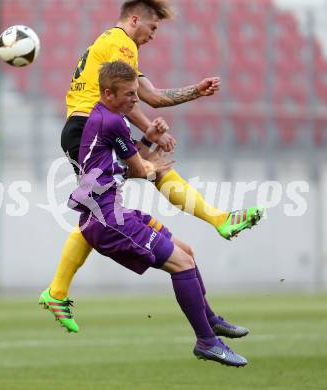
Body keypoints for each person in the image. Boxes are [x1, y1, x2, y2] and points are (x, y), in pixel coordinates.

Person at [39, 0, 263, 333]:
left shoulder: (114, 45)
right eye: (153, 28)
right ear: (134, 20)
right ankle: (219, 219)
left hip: (88, 128)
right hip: (91, 128)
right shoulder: (120, 43)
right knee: (138, 182)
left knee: (104, 209)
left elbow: (151, 96)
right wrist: (150, 130)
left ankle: (56, 291)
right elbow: (122, 97)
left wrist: (194, 92)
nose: (154, 35)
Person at [68, 61, 248, 367]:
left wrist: (148, 138)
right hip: (108, 220)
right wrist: (152, 166)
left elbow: (131, 164)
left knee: (186, 252)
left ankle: (210, 320)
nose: (136, 101)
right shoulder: (112, 122)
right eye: (129, 95)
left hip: (113, 212)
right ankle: (207, 341)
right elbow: (140, 169)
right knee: (181, 264)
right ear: (108, 93)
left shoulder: (106, 117)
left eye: (137, 94)